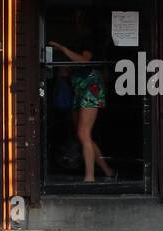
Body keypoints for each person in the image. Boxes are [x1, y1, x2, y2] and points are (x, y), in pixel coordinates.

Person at [47, 38, 116, 183]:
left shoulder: (88, 43)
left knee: (83, 134)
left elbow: (84, 60)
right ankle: (107, 171)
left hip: (90, 90)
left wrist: (63, 48)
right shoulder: (79, 46)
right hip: (80, 91)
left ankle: (90, 178)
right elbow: (71, 70)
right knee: (84, 135)